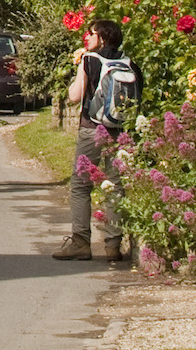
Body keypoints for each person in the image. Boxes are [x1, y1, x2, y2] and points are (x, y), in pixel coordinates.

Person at [55, 17, 136, 263]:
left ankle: (81, 243)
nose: (86, 38)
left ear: (102, 37)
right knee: (116, 185)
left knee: (81, 186)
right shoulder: (129, 62)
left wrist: (76, 75)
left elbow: (74, 96)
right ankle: (113, 246)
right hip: (120, 130)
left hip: (92, 129)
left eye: (91, 33)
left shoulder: (89, 60)